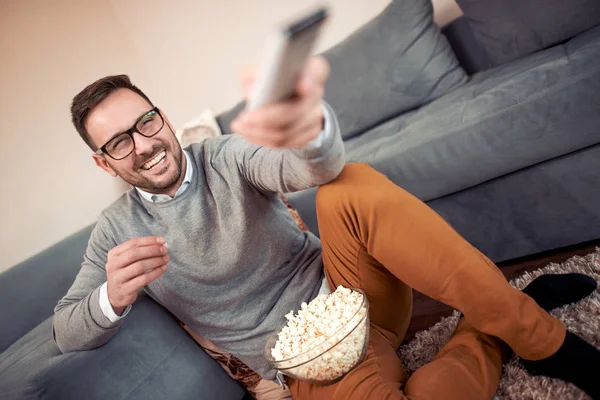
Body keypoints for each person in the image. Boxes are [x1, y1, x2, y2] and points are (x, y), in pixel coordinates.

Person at [54, 56, 599, 400]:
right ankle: (499, 322)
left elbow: (308, 168)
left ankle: (544, 342)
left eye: (145, 122)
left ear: (162, 116)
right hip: (308, 364)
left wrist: (310, 129)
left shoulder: (223, 156)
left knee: (348, 184)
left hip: (357, 295)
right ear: (105, 163)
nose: (144, 144)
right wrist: (113, 297)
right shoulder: (115, 231)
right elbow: (66, 329)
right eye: (119, 142)